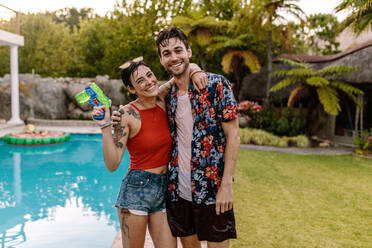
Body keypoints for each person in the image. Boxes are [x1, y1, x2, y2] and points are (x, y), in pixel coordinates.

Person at [91, 57, 207, 248]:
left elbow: (183, 70)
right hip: (136, 191)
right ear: (131, 89)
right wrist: (105, 127)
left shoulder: (162, 98)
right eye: (140, 81)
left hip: (165, 188)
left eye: (149, 75)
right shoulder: (127, 115)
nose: (149, 82)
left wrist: (195, 71)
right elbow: (112, 165)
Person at [155, 27, 240, 248]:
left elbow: (234, 136)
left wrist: (226, 186)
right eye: (166, 53)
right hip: (179, 191)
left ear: (189, 51)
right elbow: (147, 97)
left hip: (213, 189)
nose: (173, 57)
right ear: (161, 60)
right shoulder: (169, 96)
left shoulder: (216, 85)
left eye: (178, 50)